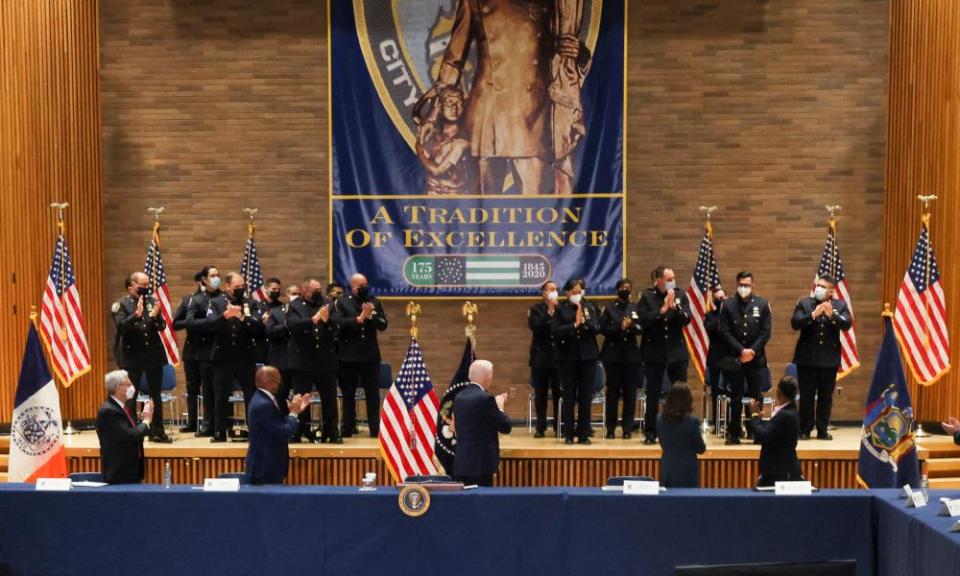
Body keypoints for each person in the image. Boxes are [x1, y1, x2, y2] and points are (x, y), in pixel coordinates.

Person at [423, 0, 589, 195]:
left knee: (536, 210)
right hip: (486, 116)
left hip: (534, 115)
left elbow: (562, 52)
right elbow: (453, 59)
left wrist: (580, 53)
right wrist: (434, 112)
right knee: (483, 214)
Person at [204, 272, 265, 442]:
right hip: (222, 357)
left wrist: (242, 317)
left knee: (251, 394)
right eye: (236, 286)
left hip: (245, 356)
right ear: (227, 287)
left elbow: (258, 326)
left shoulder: (251, 303)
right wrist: (225, 316)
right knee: (221, 395)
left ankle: (255, 430)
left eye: (242, 286)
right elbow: (209, 325)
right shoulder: (216, 303)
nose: (240, 289)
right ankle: (220, 431)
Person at [111, 271, 171, 443]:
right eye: (142, 285)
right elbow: (121, 327)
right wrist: (136, 315)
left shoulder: (152, 302)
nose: (146, 288)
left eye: (147, 285)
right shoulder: (120, 305)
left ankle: (157, 431)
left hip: (153, 354)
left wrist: (157, 317)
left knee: (155, 395)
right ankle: (131, 432)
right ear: (131, 287)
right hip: (132, 355)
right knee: (131, 394)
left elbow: (161, 326)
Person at [790, 274, 852, 440]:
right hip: (807, 358)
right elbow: (795, 323)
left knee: (825, 397)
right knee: (807, 396)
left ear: (831, 292)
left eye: (824, 287)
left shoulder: (840, 305)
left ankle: (823, 429)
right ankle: (804, 429)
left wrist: (833, 315)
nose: (819, 289)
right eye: (819, 285)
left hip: (829, 359)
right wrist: (812, 315)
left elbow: (847, 324)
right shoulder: (805, 303)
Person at [717, 271, 772, 445]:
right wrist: (741, 350)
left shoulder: (762, 304)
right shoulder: (728, 305)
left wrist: (752, 351)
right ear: (736, 284)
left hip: (756, 359)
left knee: (756, 396)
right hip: (735, 359)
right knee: (736, 396)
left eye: (747, 284)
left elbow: (765, 332)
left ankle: (756, 432)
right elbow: (724, 332)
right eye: (741, 284)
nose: (743, 287)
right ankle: (734, 433)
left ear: (753, 285)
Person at [638, 266, 691, 444]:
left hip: (676, 351)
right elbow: (643, 322)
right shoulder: (647, 296)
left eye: (673, 278)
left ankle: (680, 431)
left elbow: (687, 319)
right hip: (655, 351)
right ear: (659, 280)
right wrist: (662, 310)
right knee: (653, 393)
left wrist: (675, 308)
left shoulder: (680, 294)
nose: (672, 282)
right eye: (669, 279)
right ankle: (651, 432)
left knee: (680, 393)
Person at [287, 278, 341, 443]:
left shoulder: (328, 304)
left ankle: (332, 432)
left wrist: (327, 321)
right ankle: (297, 432)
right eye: (313, 290)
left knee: (329, 399)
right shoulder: (295, 305)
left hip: (325, 360)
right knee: (301, 399)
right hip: (303, 360)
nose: (317, 293)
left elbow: (338, 327)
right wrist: (313, 320)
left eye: (319, 290)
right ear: (304, 291)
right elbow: (292, 325)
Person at [335, 273, 388, 438]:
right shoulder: (342, 302)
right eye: (360, 285)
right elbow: (341, 324)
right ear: (352, 286)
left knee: (372, 393)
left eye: (365, 284)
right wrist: (359, 319)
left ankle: (374, 428)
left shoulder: (374, 301)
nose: (364, 287)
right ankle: (347, 428)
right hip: (348, 355)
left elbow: (383, 325)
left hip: (369, 355)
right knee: (348, 393)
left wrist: (371, 315)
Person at [551, 278, 600, 445]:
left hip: (588, 357)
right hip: (568, 358)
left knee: (586, 397)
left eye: (580, 292)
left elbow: (596, 328)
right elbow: (556, 331)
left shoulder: (589, 306)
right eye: (574, 292)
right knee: (569, 396)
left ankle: (584, 434)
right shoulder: (560, 309)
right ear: (567, 293)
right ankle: (569, 434)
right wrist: (574, 325)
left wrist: (584, 323)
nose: (577, 295)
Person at [243, 366, 311, 485]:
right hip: (264, 469)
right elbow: (283, 432)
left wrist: (294, 413)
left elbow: (275, 425)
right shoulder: (263, 404)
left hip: (266, 467)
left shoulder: (262, 399)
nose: (280, 382)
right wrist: (293, 413)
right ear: (269, 381)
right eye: (278, 379)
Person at [452, 360, 511, 487]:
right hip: (480, 466)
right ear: (487, 376)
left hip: (462, 463)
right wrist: (499, 407)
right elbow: (505, 427)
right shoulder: (486, 399)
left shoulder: (459, 397)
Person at [600, 278, 643, 439]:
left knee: (630, 394)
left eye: (628, 288)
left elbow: (640, 328)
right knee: (612, 393)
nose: (626, 290)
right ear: (618, 290)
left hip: (631, 356)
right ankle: (610, 428)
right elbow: (603, 329)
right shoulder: (610, 308)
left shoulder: (635, 308)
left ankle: (627, 428)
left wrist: (630, 326)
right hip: (613, 356)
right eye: (623, 287)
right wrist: (620, 326)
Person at [96, 370, 154, 484]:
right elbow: (131, 435)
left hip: (131, 470)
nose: (133, 387)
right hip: (120, 474)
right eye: (129, 385)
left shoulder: (123, 407)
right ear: (119, 388)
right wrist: (146, 421)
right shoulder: (109, 411)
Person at [185, 266, 221, 437]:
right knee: (206, 389)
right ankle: (207, 424)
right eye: (213, 275)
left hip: (221, 349)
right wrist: (210, 322)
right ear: (205, 280)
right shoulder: (197, 300)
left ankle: (219, 425)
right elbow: (189, 322)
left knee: (218, 390)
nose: (216, 278)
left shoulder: (224, 298)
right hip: (203, 351)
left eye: (218, 275)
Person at [748, 376, 803, 487]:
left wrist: (754, 416)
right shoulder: (790, 411)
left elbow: (763, 435)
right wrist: (760, 420)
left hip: (779, 473)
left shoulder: (785, 415)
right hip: (780, 470)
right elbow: (773, 432)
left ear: (778, 392)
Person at [528, 280, 561, 438]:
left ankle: (558, 425)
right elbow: (536, 327)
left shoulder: (563, 309)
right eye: (551, 289)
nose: (554, 292)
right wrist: (549, 311)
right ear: (544, 293)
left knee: (558, 394)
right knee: (540, 395)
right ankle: (540, 427)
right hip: (540, 358)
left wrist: (556, 310)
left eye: (556, 289)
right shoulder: (536, 309)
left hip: (558, 358)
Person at [172, 270, 204, 433]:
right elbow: (175, 323)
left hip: (212, 350)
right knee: (192, 388)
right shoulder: (188, 300)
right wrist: (193, 321)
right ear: (199, 282)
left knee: (212, 388)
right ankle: (192, 422)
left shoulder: (218, 300)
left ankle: (210, 423)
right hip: (192, 350)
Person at [657, 382, 706, 488]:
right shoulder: (692, 421)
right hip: (687, 472)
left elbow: (662, 443)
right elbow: (701, 449)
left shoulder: (659, 419)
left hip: (667, 469)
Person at [264, 282, 298, 418]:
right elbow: (270, 331)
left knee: (299, 396)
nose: (296, 297)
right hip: (280, 360)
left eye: (299, 294)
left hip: (299, 361)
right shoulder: (277, 311)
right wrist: (287, 324)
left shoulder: (305, 312)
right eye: (293, 294)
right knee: (279, 395)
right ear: (287, 296)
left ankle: (299, 427)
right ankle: (278, 423)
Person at [703, 287, 727, 430]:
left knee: (731, 390)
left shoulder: (732, 314)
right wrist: (720, 313)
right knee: (716, 391)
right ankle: (717, 423)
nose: (720, 301)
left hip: (730, 356)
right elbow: (710, 328)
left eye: (722, 298)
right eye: (718, 299)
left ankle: (730, 422)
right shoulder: (710, 315)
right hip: (715, 357)